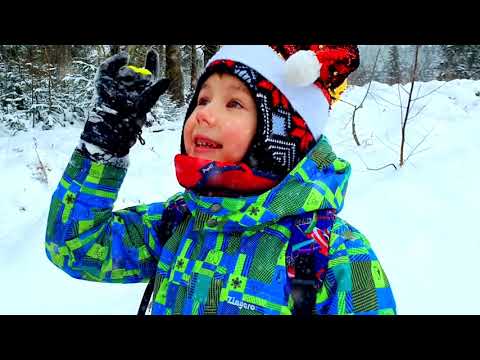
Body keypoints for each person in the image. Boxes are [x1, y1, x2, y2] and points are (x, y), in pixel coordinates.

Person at [45, 45, 396, 315]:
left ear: (283, 132)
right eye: (202, 99)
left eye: (234, 104)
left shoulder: (338, 256)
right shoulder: (179, 221)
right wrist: (103, 145)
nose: (203, 114)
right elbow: (76, 247)